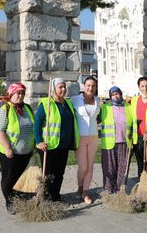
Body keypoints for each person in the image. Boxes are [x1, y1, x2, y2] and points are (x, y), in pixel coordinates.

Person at [34, 78, 79, 202]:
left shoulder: (68, 103)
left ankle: (56, 196)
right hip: (49, 146)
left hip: (63, 145)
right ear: (53, 89)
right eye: (60, 87)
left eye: (64, 87)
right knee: (48, 175)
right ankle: (46, 199)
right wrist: (39, 141)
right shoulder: (46, 104)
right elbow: (37, 124)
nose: (63, 89)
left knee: (60, 173)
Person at [0, 83, 35, 214]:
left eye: (23, 93)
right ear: (11, 94)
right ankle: (10, 203)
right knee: (9, 179)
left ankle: (19, 199)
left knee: (20, 178)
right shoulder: (4, 110)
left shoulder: (27, 108)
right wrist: (8, 148)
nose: (21, 95)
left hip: (26, 152)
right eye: (18, 93)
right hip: (11, 153)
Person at [71, 76, 100, 204]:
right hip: (80, 138)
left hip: (93, 136)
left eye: (93, 86)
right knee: (83, 167)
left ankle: (85, 192)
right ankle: (80, 186)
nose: (91, 88)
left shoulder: (98, 100)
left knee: (90, 166)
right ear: (84, 86)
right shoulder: (75, 100)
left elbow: (99, 117)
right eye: (88, 85)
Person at [100, 86, 133, 193]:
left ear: (121, 94)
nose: (115, 96)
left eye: (117, 94)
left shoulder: (128, 107)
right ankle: (109, 190)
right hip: (109, 143)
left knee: (122, 168)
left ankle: (120, 189)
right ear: (110, 97)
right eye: (113, 95)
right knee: (109, 168)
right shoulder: (105, 107)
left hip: (124, 142)